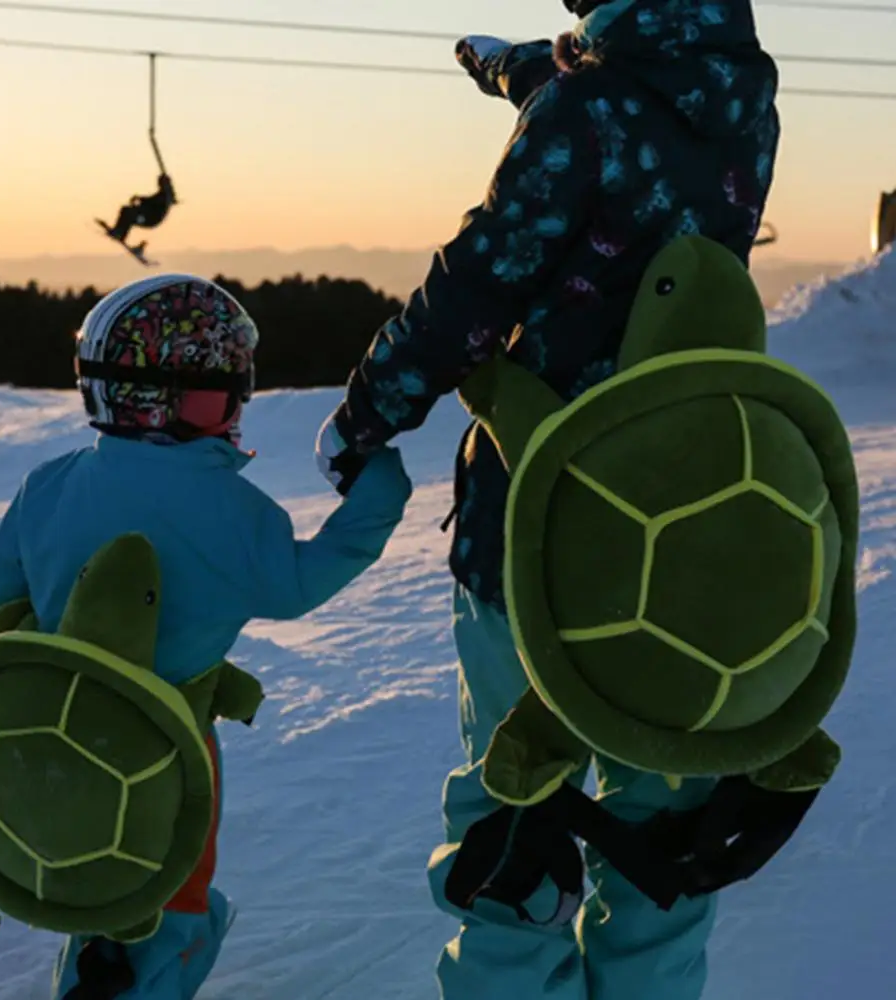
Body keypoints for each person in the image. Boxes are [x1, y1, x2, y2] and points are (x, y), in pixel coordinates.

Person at [314, 1, 780, 999]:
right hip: (689, 527)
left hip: (539, 528)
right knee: (659, 831)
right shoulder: (745, 96)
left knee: (511, 824)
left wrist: (366, 413)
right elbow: (631, 113)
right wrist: (519, 72)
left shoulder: (583, 110)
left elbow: (476, 286)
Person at [0, 274, 412, 1000]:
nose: (235, 407)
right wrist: (379, 491)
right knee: (164, 910)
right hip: (168, 754)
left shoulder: (48, 486)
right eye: (224, 390)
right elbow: (301, 583)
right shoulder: (234, 512)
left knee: (91, 878)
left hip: (37, 747)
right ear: (182, 398)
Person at [103, 174, 178, 247]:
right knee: (126, 210)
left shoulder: (165, 196)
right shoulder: (163, 194)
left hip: (149, 220)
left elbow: (151, 201)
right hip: (146, 216)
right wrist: (138, 200)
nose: (159, 184)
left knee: (130, 214)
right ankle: (119, 231)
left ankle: (120, 234)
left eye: (160, 183)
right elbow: (150, 201)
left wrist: (139, 199)